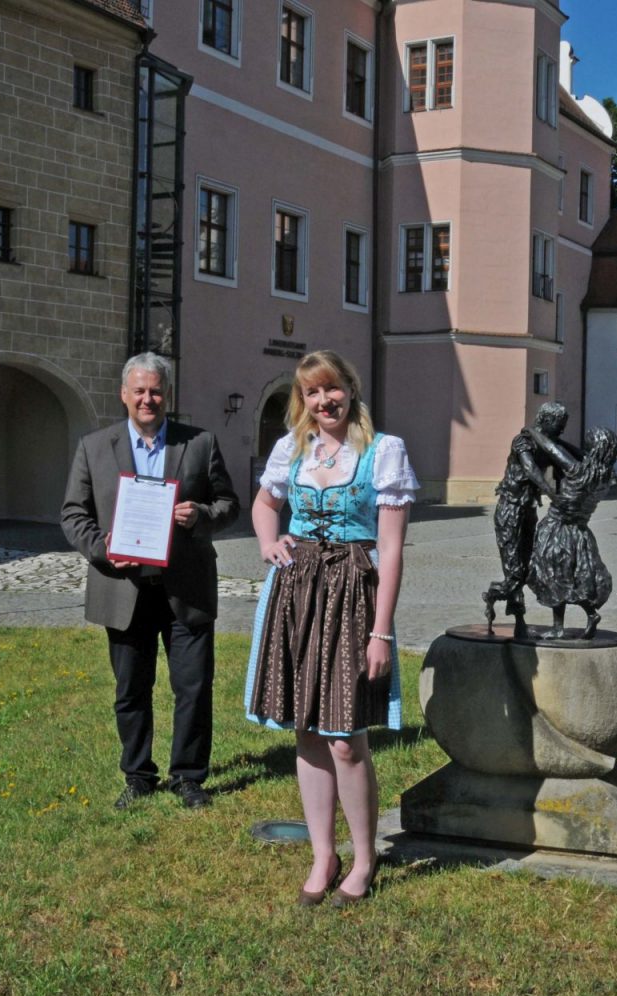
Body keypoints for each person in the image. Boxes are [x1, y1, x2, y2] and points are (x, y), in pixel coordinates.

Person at [244, 350, 417, 906]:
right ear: (304, 399)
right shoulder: (292, 450)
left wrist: (381, 631)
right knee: (306, 728)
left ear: (351, 388)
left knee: (345, 738)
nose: (324, 402)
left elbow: (390, 550)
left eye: (332, 390)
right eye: (313, 393)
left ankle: (364, 859)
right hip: (296, 594)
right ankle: (324, 853)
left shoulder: (382, 452)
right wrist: (269, 542)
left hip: (352, 597)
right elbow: (264, 503)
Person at [61, 352, 239, 811]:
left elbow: (229, 503)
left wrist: (200, 515)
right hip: (123, 589)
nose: (147, 399)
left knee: (194, 688)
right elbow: (73, 513)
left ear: (167, 395)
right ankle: (138, 775)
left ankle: (189, 776)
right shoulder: (94, 447)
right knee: (130, 691)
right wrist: (103, 548)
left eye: (155, 390)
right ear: (123, 395)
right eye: (138, 390)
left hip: (186, 587)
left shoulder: (199, 443)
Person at [482, 402, 576, 633]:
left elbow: (571, 458)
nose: (562, 430)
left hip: (528, 511)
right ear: (546, 420)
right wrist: (552, 493)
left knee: (526, 568)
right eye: (559, 425)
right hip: (510, 510)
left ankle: (519, 625)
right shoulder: (522, 441)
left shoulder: (547, 444)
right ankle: (493, 596)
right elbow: (531, 470)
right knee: (514, 573)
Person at [524, 425, 617, 639]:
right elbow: (576, 454)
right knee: (577, 577)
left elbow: (551, 451)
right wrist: (561, 441)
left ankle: (558, 627)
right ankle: (590, 614)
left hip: (557, 529)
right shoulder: (606, 475)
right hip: (580, 532)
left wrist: (534, 432)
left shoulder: (579, 470)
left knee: (553, 576)